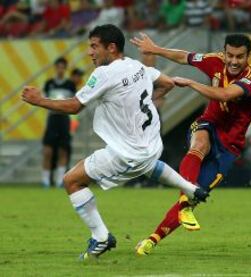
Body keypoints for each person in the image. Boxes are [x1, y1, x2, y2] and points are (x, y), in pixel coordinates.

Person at [22, 24, 208, 260]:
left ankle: (101, 238)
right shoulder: (137, 66)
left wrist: (40, 101)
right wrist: (147, 102)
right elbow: (167, 83)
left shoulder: (104, 73)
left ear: (111, 47)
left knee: (72, 181)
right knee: (149, 165)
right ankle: (191, 189)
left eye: (94, 46)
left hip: (126, 153)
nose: (90, 52)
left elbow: (75, 106)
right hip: (152, 146)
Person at [130, 32, 251, 255]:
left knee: (195, 196)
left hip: (230, 145)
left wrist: (191, 83)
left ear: (248, 55)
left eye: (239, 57)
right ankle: (185, 201)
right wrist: (156, 49)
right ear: (224, 51)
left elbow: (224, 95)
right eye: (229, 55)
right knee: (198, 146)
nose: (233, 61)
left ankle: (152, 240)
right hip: (208, 124)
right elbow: (186, 57)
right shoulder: (216, 61)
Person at [41, 57, 76, 188]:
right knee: (47, 151)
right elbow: (45, 101)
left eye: (63, 67)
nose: (60, 70)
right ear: (55, 68)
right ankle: (45, 180)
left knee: (63, 150)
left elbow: (74, 102)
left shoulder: (70, 84)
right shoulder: (49, 83)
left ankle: (60, 180)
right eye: (58, 67)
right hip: (52, 118)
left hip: (64, 119)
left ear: (65, 69)